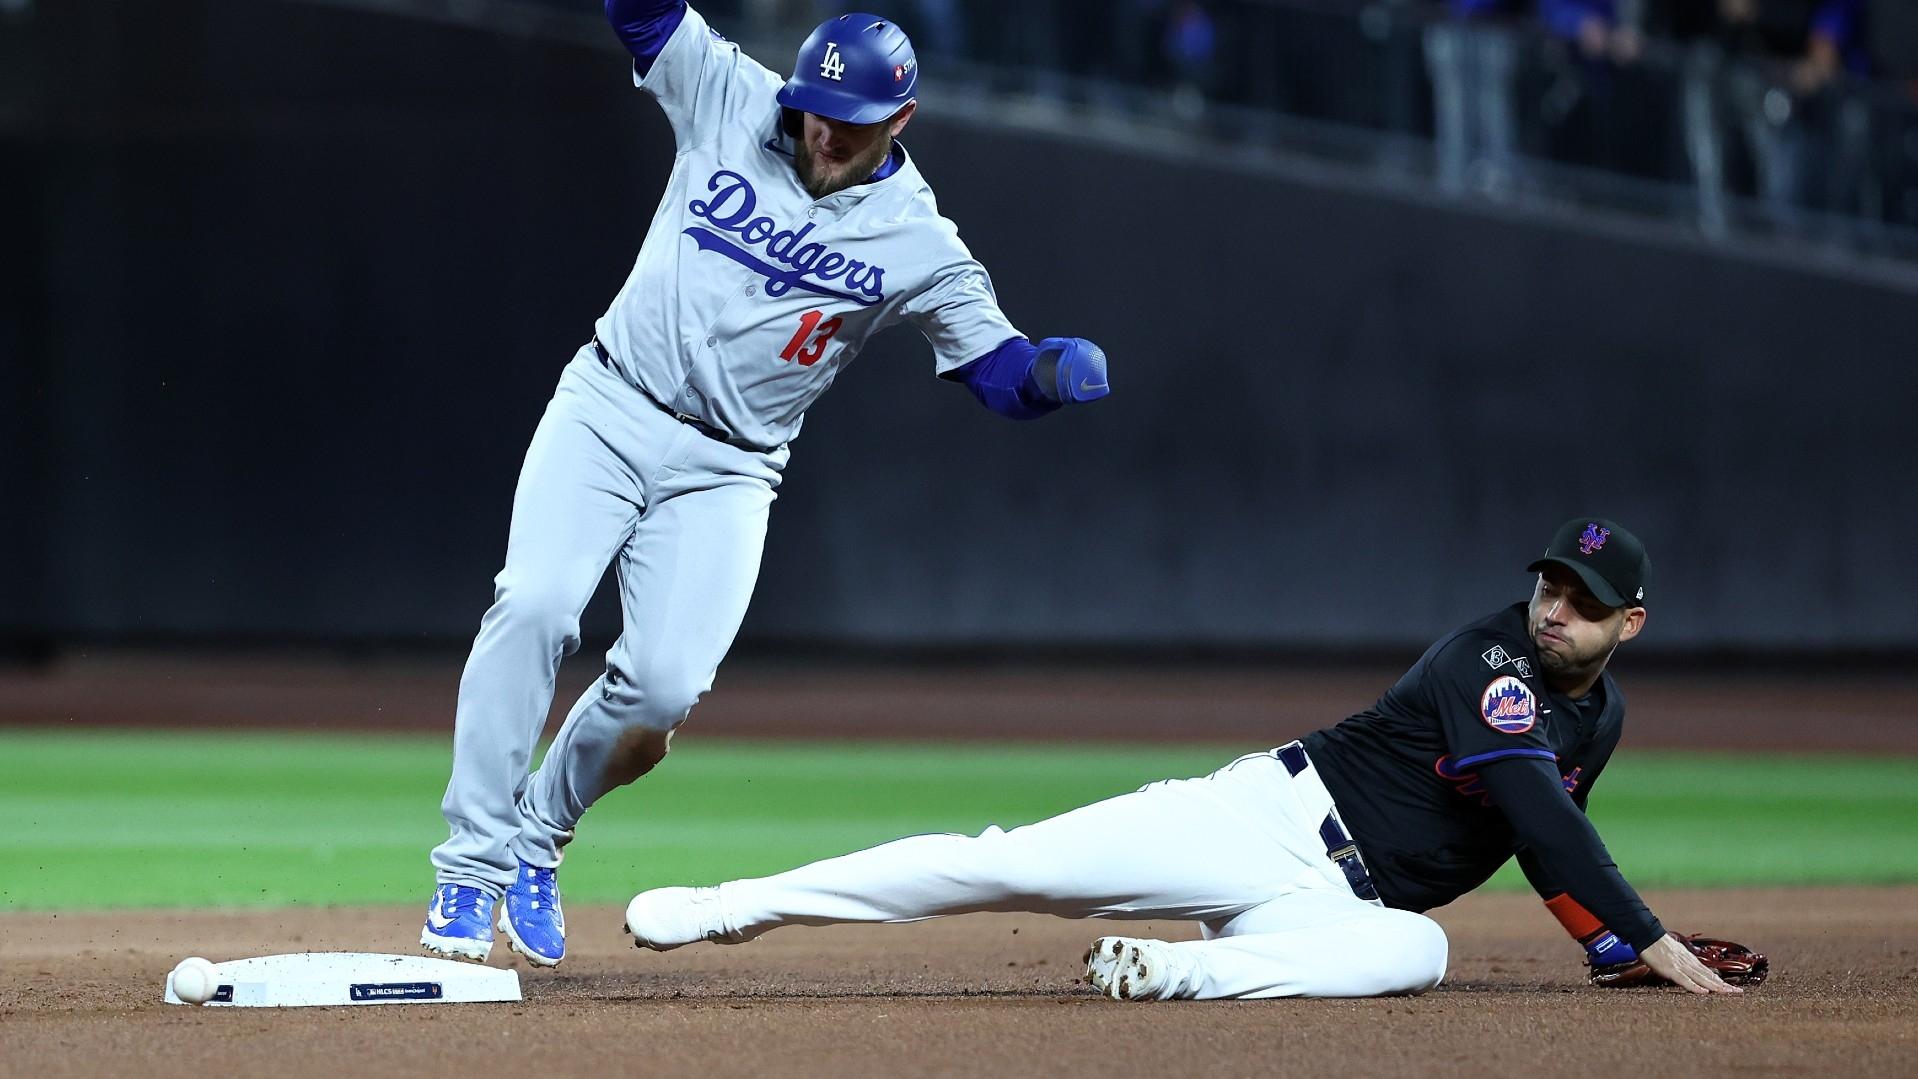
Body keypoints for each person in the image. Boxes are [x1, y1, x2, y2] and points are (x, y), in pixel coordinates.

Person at [420, 1, 1111, 968]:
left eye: (850, 119)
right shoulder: (733, 97)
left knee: (661, 691)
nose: (823, 131)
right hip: (611, 403)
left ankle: (539, 832)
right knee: (533, 603)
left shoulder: (917, 240)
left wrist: (1046, 374)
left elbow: (994, 370)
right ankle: (471, 867)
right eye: (816, 108)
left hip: (731, 466)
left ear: (900, 122)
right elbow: (642, 17)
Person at [622, 518, 1745, 1000]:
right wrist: (1651, 933)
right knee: (1003, 865)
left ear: (1626, 624)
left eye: (1581, 601)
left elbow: (1540, 844)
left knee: (1419, 948)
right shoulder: (1487, 658)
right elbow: (1540, 817)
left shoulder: (1598, 718)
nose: (1554, 608)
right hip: (1258, 819)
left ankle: (1177, 973)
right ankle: (738, 904)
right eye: (1550, 583)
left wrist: (1610, 948)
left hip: (1328, 905)